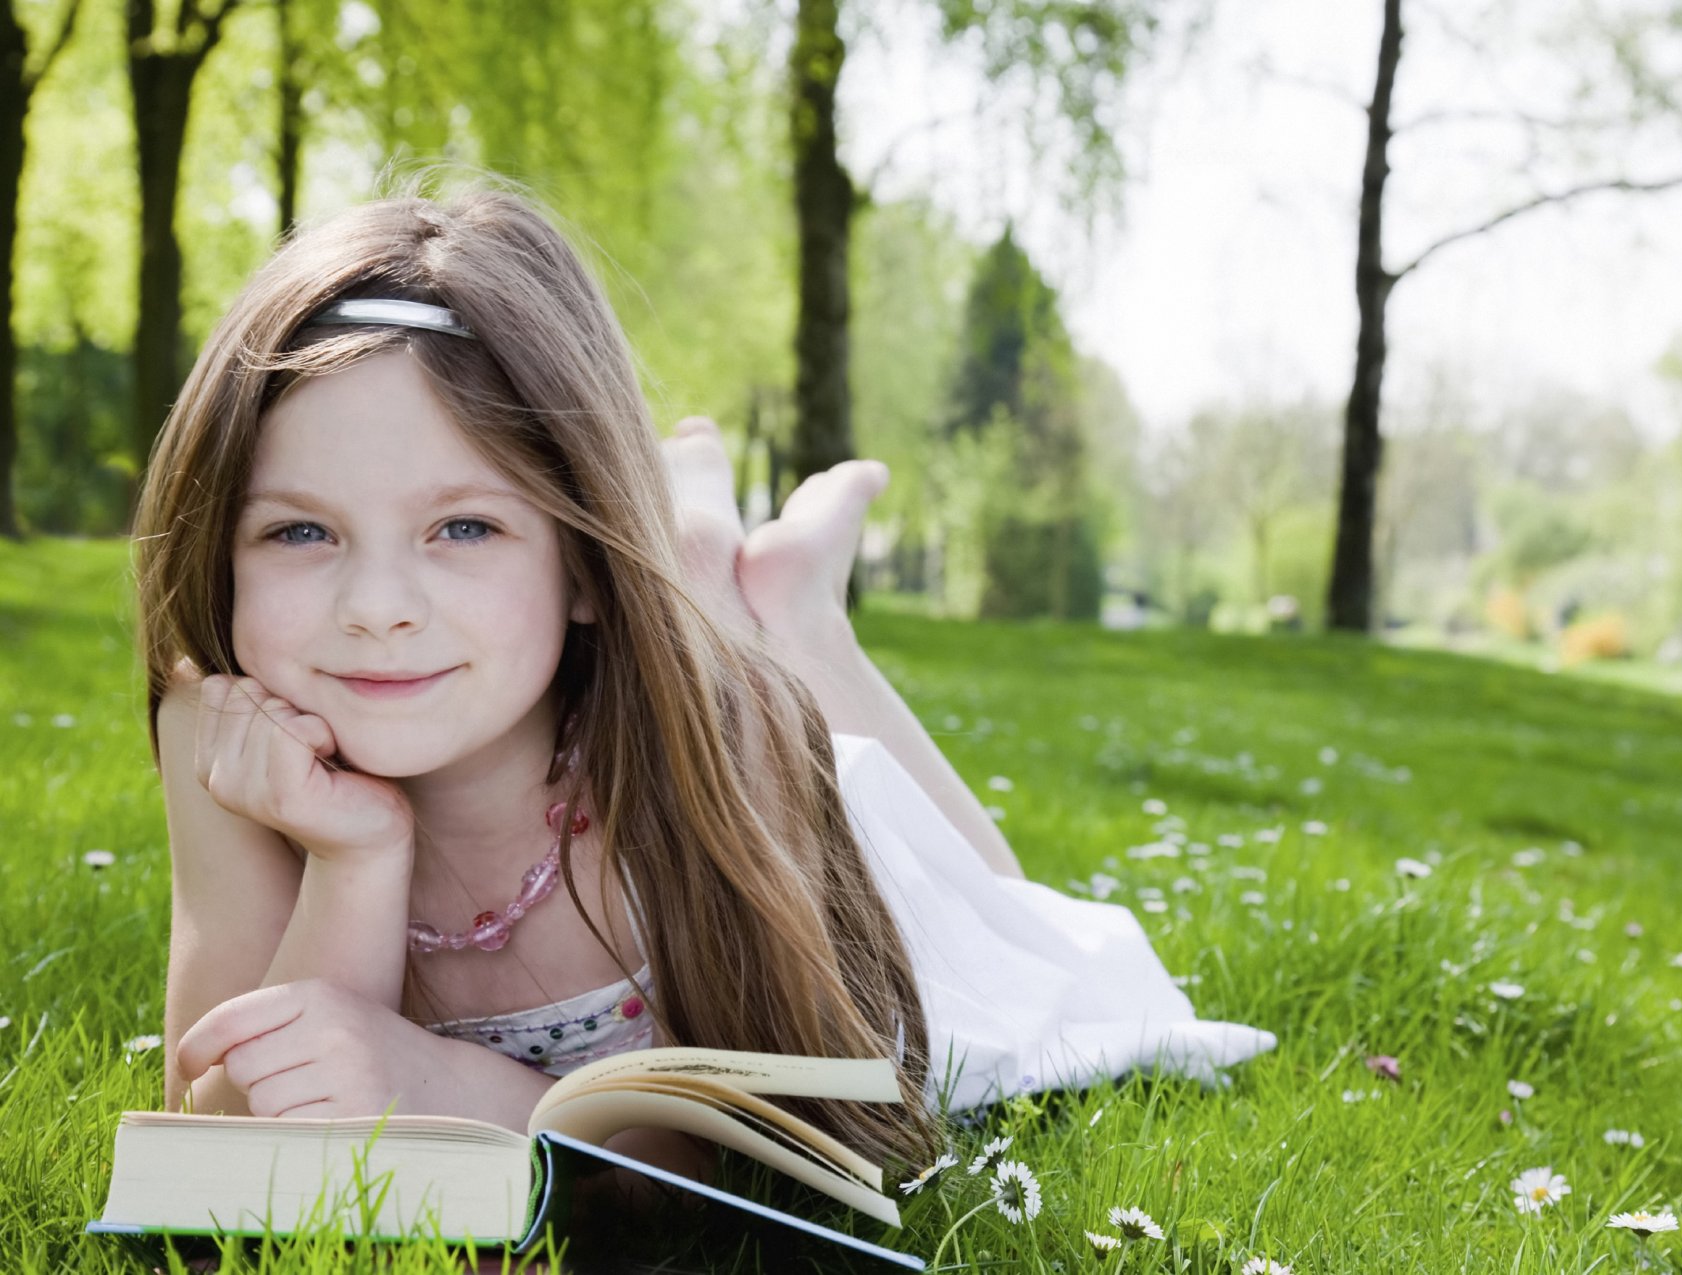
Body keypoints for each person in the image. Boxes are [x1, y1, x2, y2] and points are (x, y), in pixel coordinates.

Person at [132, 182, 1274, 1185]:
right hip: (677, 669)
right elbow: (220, 1127)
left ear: (581, 562)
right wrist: (355, 857)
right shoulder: (224, 736)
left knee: (1017, 924)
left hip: (817, 829)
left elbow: (820, 1120)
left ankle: (791, 609)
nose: (376, 605)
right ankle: (709, 564)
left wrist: (449, 1083)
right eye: (298, 535)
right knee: (704, 636)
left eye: (464, 526)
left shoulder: (710, 750)